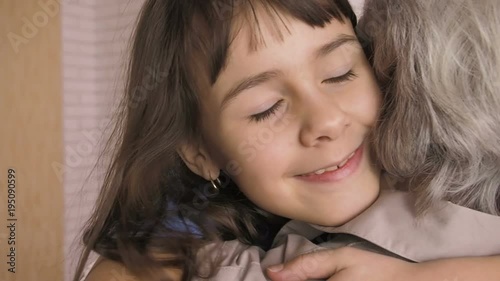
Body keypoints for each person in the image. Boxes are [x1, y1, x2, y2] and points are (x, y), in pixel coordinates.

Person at [73, 0, 500, 281]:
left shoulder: (456, 169)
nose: (326, 120)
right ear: (201, 153)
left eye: (339, 73)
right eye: (265, 107)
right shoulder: (198, 243)